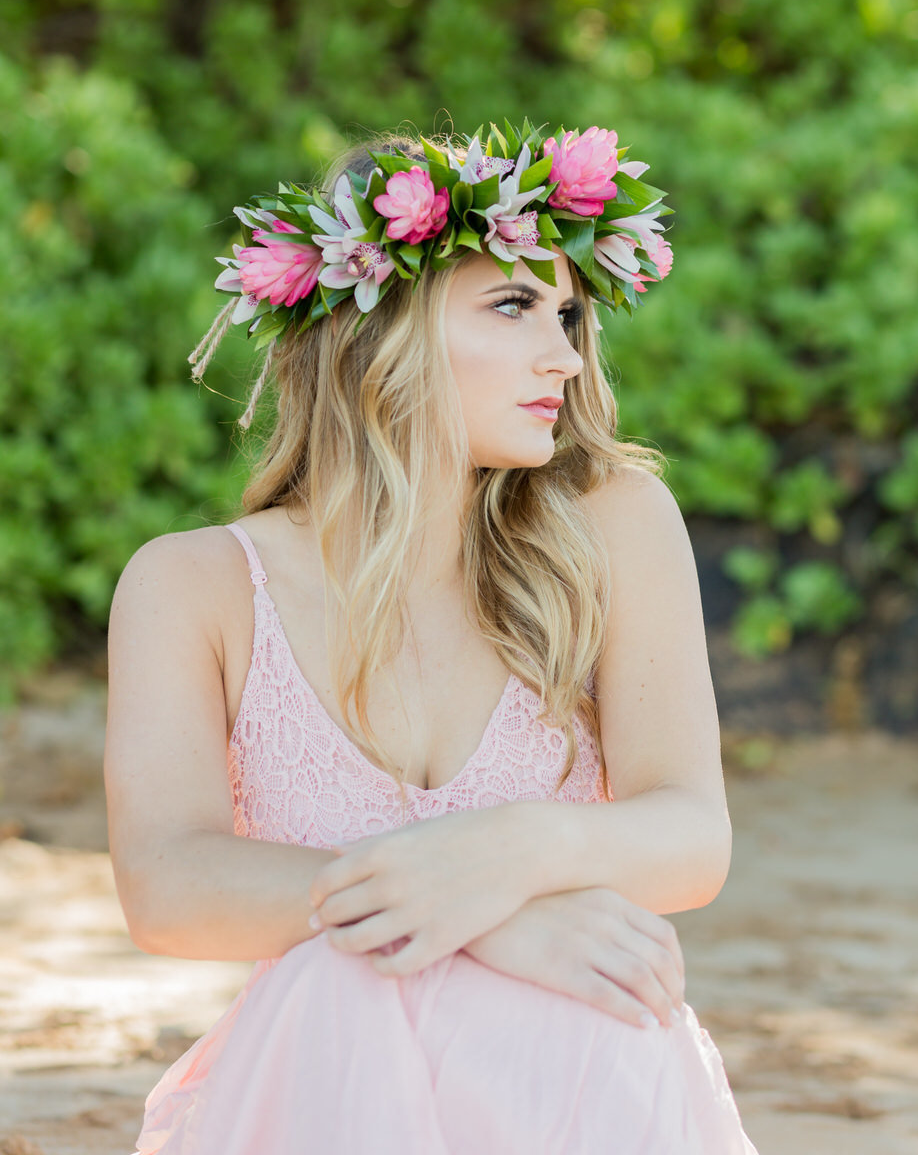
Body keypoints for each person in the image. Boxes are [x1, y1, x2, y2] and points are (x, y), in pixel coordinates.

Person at [106, 120, 758, 1153]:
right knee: (340, 977)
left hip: (568, 1083)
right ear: (381, 328)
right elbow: (169, 886)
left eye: (570, 313)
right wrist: (482, 915)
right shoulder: (191, 585)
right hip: (329, 1080)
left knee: (597, 1002)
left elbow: (688, 835)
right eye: (513, 304)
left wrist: (510, 850)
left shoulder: (616, 523)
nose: (565, 355)